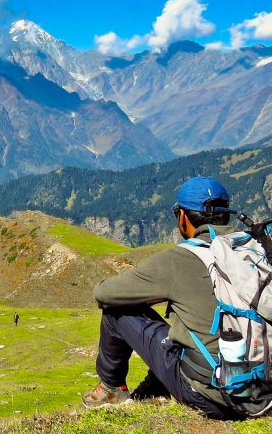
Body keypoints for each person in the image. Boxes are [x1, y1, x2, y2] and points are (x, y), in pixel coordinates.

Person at [81, 176, 241, 420]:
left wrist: (148, 296)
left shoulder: (182, 259)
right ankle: (153, 389)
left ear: (183, 217)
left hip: (215, 396)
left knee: (115, 311)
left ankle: (110, 390)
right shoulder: (258, 252)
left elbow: (103, 294)